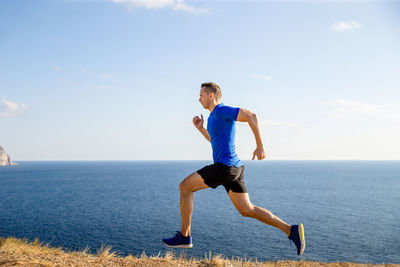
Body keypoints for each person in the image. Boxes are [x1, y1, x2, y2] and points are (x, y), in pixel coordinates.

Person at [162, 82, 305, 255]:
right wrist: (201, 129)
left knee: (184, 187)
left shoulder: (221, 111)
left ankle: (185, 236)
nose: (198, 99)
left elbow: (252, 116)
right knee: (247, 209)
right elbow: (214, 141)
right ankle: (291, 230)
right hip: (235, 169)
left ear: (211, 96)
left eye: (201, 95)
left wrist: (260, 146)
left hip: (225, 167)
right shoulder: (213, 117)